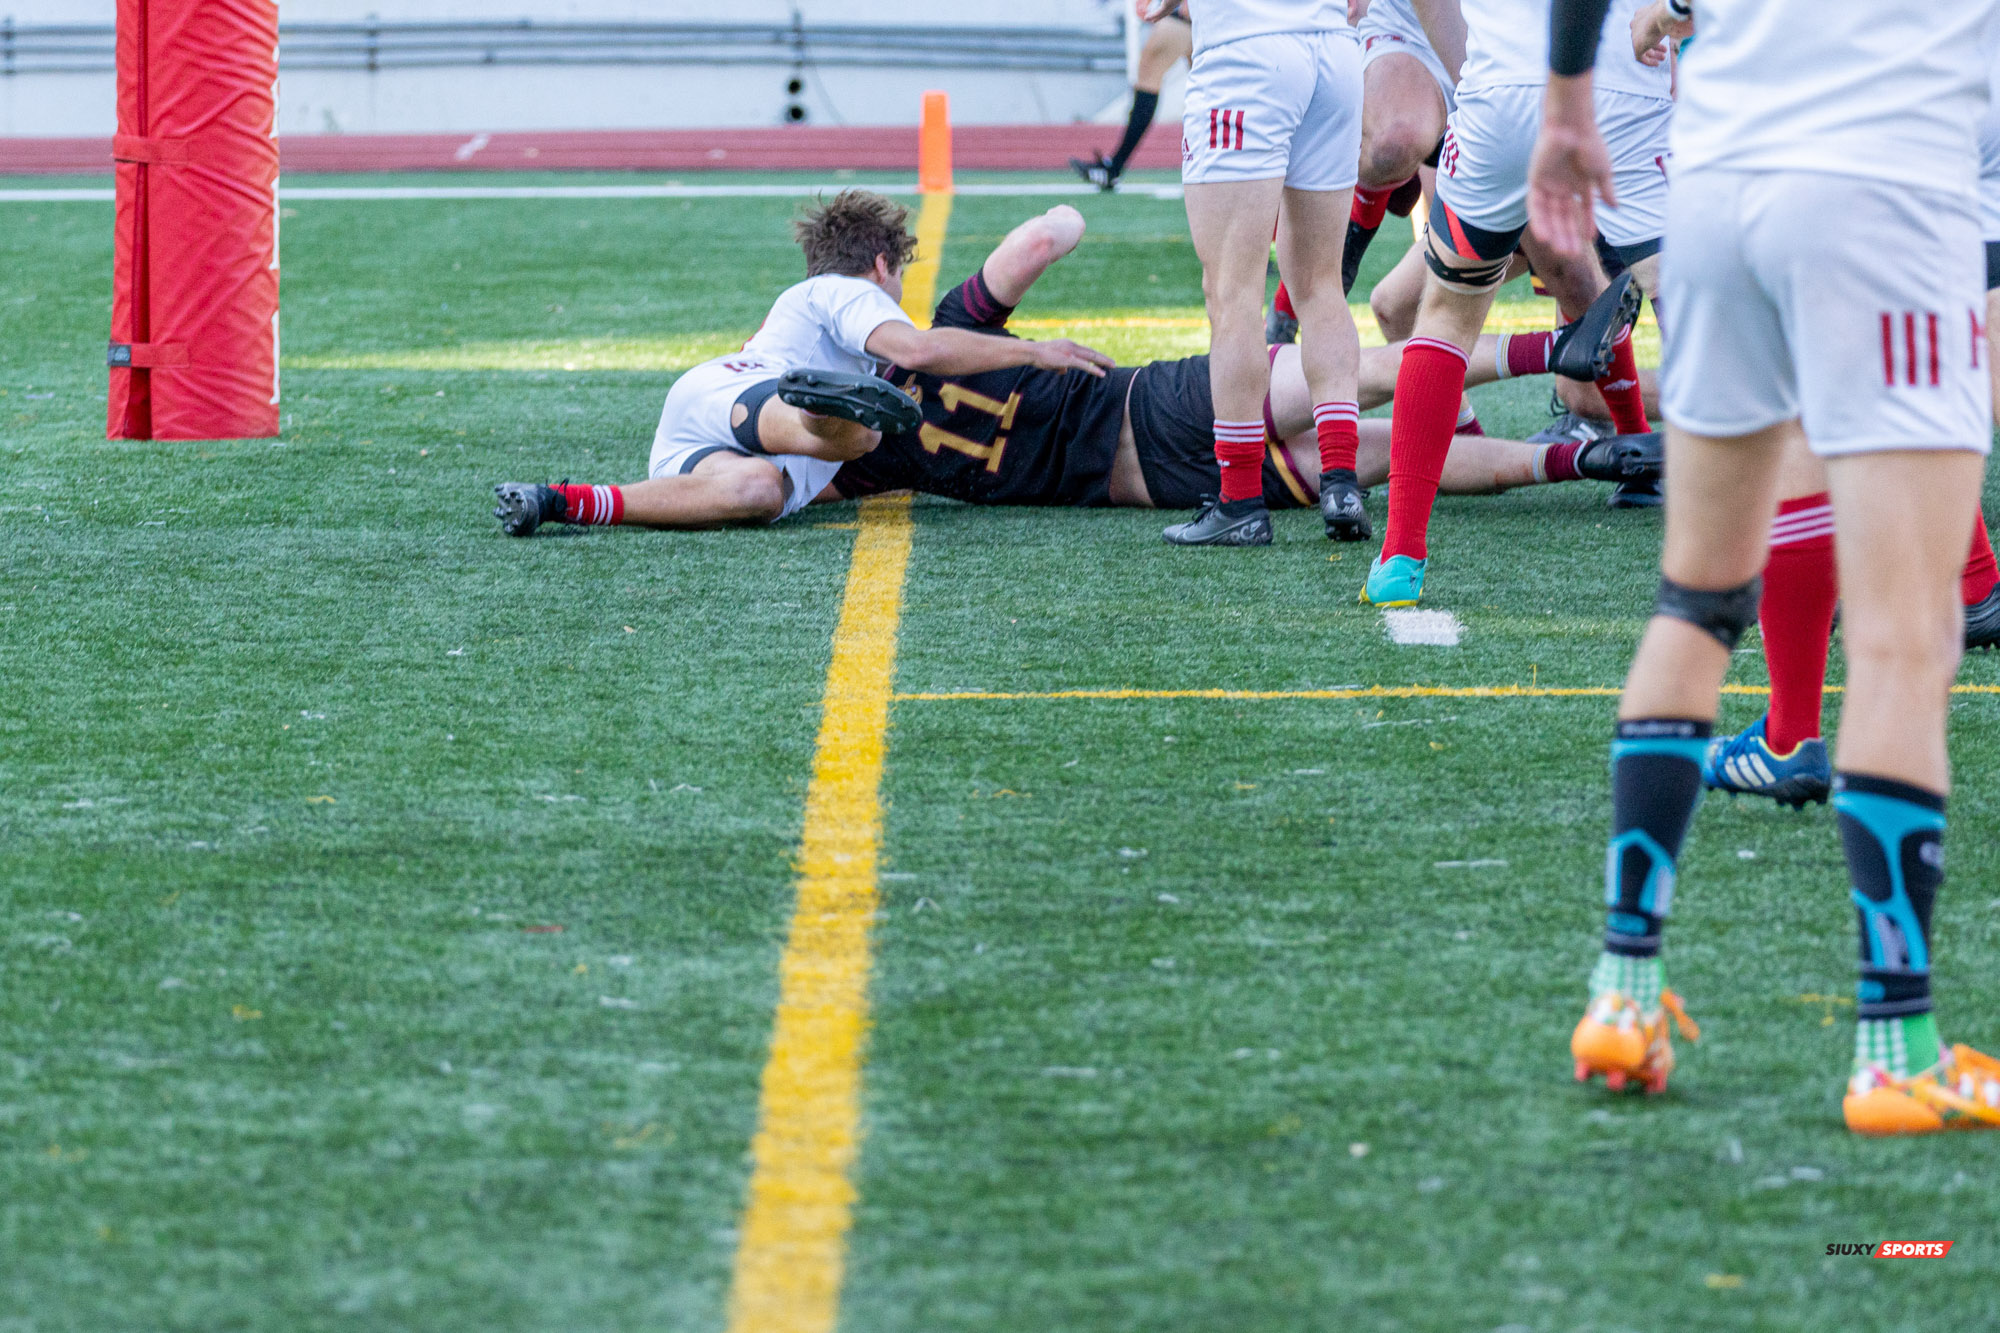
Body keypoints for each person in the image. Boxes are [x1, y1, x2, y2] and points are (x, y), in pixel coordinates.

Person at [1531, 0, 2000, 1132]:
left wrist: (1564, 101)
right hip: (1881, 187)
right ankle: (1892, 1049)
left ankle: (1623, 994)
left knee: (1694, 601)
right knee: (1903, 638)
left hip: (1718, 187)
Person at [493, 207, 1656, 532]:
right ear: (885, 270)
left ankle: (1579, 438)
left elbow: (1026, 253)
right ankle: (1554, 377)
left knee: (1323, 417)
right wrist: (1036, 304)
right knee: (1326, 395)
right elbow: (1038, 239)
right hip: (1129, 415)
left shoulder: (865, 436)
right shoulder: (916, 322)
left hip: (1124, 472)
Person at [491, 190, 1112, 535]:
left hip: (696, 449)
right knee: (863, 433)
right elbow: (917, 350)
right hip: (750, 396)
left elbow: (818, 485)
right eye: (896, 276)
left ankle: (562, 501)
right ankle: (821, 407)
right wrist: (1034, 349)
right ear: (879, 265)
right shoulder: (840, 290)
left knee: (761, 492)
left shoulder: (809, 304)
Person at [1359, 0, 1672, 607]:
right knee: (1701, 329)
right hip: (1624, 85)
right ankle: (1751, 551)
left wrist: (1477, 71)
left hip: (1502, 88)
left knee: (1445, 315)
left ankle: (1400, 555)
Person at [1143, 0, 1370, 549]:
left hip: (1248, 53)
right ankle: (1340, 480)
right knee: (1320, 285)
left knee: (1232, 294)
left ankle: (1240, 496)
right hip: (1334, 56)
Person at [1073, 1, 1192, 193]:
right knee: (1212, 89)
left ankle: (1114, 167)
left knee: (1150, 74)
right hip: (1204, 15)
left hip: (1194, 14)